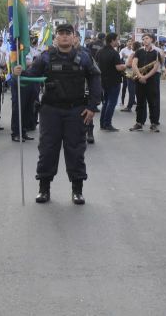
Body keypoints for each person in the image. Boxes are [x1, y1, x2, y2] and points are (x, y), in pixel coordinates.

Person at [14, 23, 101, 205]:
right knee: (47, 150)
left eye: (68, 34)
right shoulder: (45, 57)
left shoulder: (84, 57)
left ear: (74, 37)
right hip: (50, 111)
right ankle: (43, 189)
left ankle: (77, 190)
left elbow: (95, 79)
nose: (64, 37)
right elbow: (29, 76)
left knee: (76, 151)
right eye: (61, 33)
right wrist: (19, 72)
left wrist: (92, 107)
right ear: (56, 37)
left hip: (76, 111)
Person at [130, 33, 162, 132]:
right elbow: (134, 64)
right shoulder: (139, 52)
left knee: (152, 102)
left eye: (147, 38)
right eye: (143, 39)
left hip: (151, 80)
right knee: (140, 102)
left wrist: (145, 77)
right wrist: (140, 76)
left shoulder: (157, 53)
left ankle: (153, 123)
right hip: (139, 80)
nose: (144, 40)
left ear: (151, 39)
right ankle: (139, 123)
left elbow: (156, 68)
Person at [97, 32, 126, 131]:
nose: (118, 41)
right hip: (114, 81)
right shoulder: (114, 53)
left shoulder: (100, 52)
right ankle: (107, 123)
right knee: (112, 102)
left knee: (106, 102)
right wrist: (127, 64)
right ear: (112, 40)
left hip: (103, 80)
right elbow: (118, 67)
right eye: (117, 39)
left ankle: (103, 124)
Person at [119, 39, 135, 108]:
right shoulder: (123, 50)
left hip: (131, 70)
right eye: (129, 42)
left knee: (131, 86)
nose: (130, 44)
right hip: (125, 69)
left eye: (131, 43)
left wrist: (127, 57)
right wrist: (124, 56)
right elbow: (120, 57)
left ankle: (132, 100)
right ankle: (122, 100)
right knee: (125, 85)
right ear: (126, 43)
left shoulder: (133, 51)